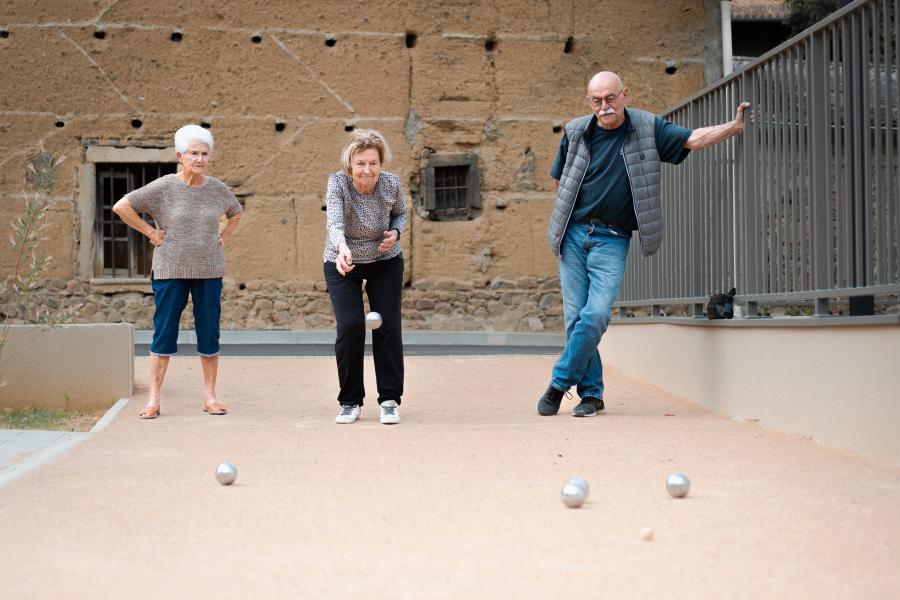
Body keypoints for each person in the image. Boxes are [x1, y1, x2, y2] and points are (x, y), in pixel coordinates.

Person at [538, 71, 751, 418]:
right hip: (574, 235)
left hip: (612, 239)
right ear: (589, 101)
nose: (604, 106)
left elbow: (693, 139)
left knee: (595, 316)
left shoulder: (648, 128)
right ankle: (592, 395)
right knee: (576, 318)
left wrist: (733, 127)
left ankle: (558, 383)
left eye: (610, 98)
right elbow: (559, 178)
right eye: (596, 100)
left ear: (625, 94)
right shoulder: (576, 131)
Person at [113, 124, 242, 419]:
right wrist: (150, 231)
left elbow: (236, 212)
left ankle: (210, 397)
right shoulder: (164, 187)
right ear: (180, 155)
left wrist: (225, 236)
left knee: (209, 332)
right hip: (170, 268)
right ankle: (154, 399)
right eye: (194, 153)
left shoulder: (217, 189)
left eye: (205, 154)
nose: (200, 159)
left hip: (209, 270)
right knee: (164, 332)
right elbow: (122, 206)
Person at [323, 129, 408, 425]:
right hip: (343, 259)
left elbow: (401, 215)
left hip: (385, 260)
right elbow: (333, 223)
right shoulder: (337, 183)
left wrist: (395, 233)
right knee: (350, 325)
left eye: (373, 163)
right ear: (350, 164)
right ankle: (349, 401)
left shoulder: (391, 183)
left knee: (387, 327)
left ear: (381, 163)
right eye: (360, 163)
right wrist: (342, 248)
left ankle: (389, 399)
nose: (367, 170)